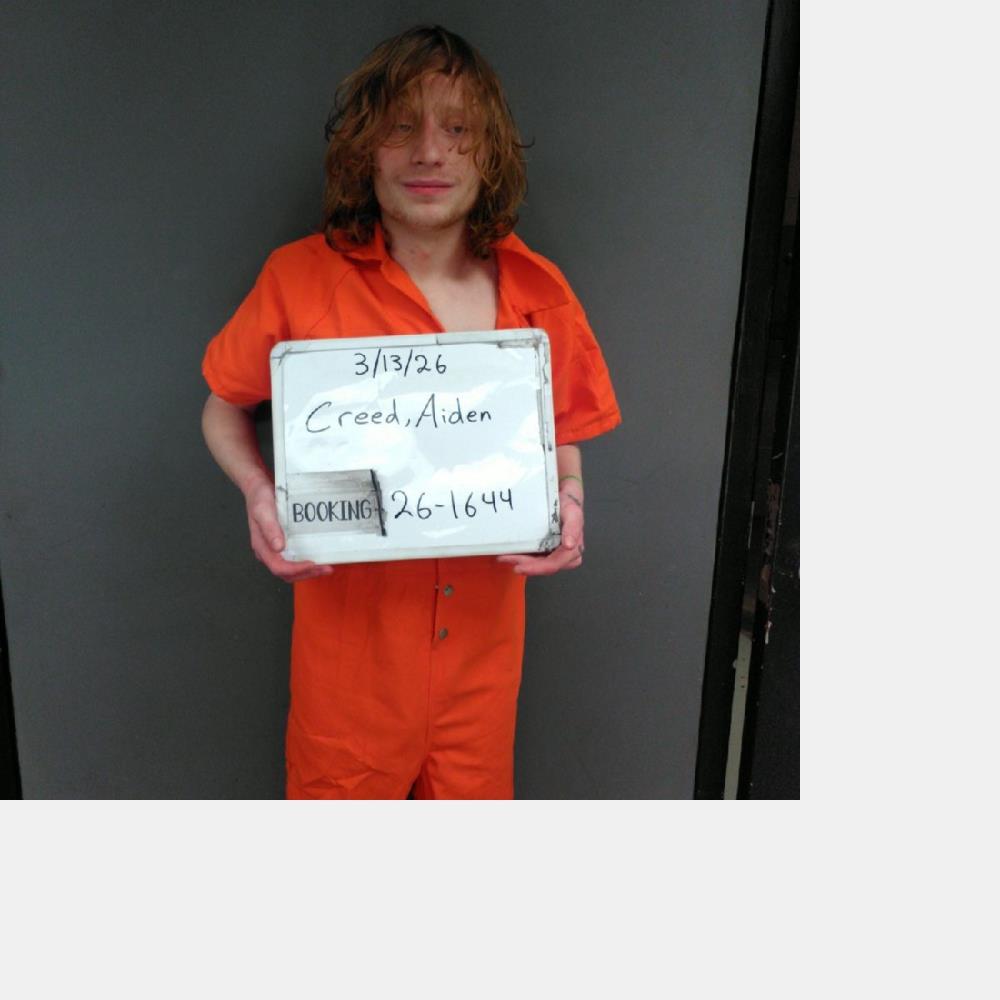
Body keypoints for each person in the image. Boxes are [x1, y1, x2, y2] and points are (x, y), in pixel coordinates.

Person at [201, 25, 621, 799]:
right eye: (402, 127)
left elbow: (560, 433)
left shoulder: (538, 290)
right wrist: (260, 495)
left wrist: (570, 499)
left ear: (489, 152)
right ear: (366, 149)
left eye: (457, 129)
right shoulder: (299, 279)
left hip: (482, 668)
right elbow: (223, 407)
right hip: (348, 671)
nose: (430, 152)